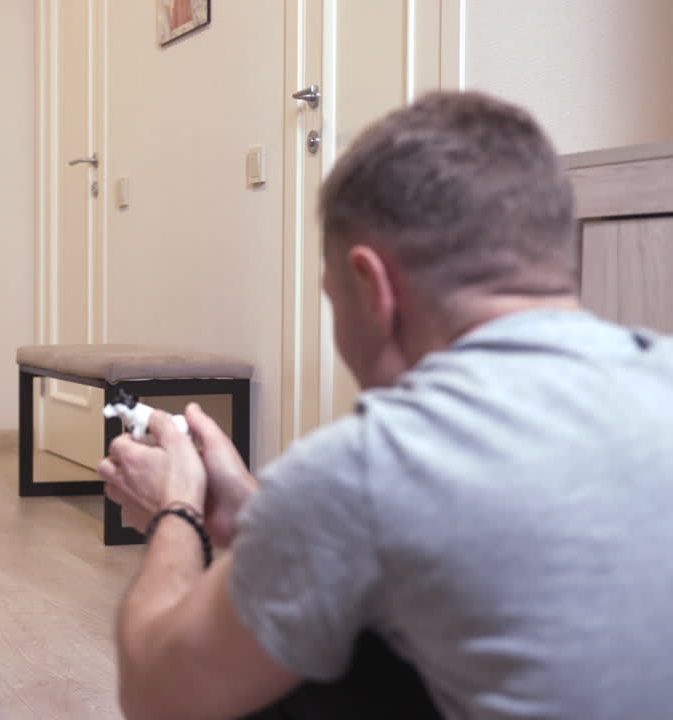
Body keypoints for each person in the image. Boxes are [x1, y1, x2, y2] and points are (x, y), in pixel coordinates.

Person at [97, 90, 673, 719]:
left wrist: (174, 509)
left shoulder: (368, 466)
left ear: (373, 287)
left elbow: (159, 697)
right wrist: (264, 516)